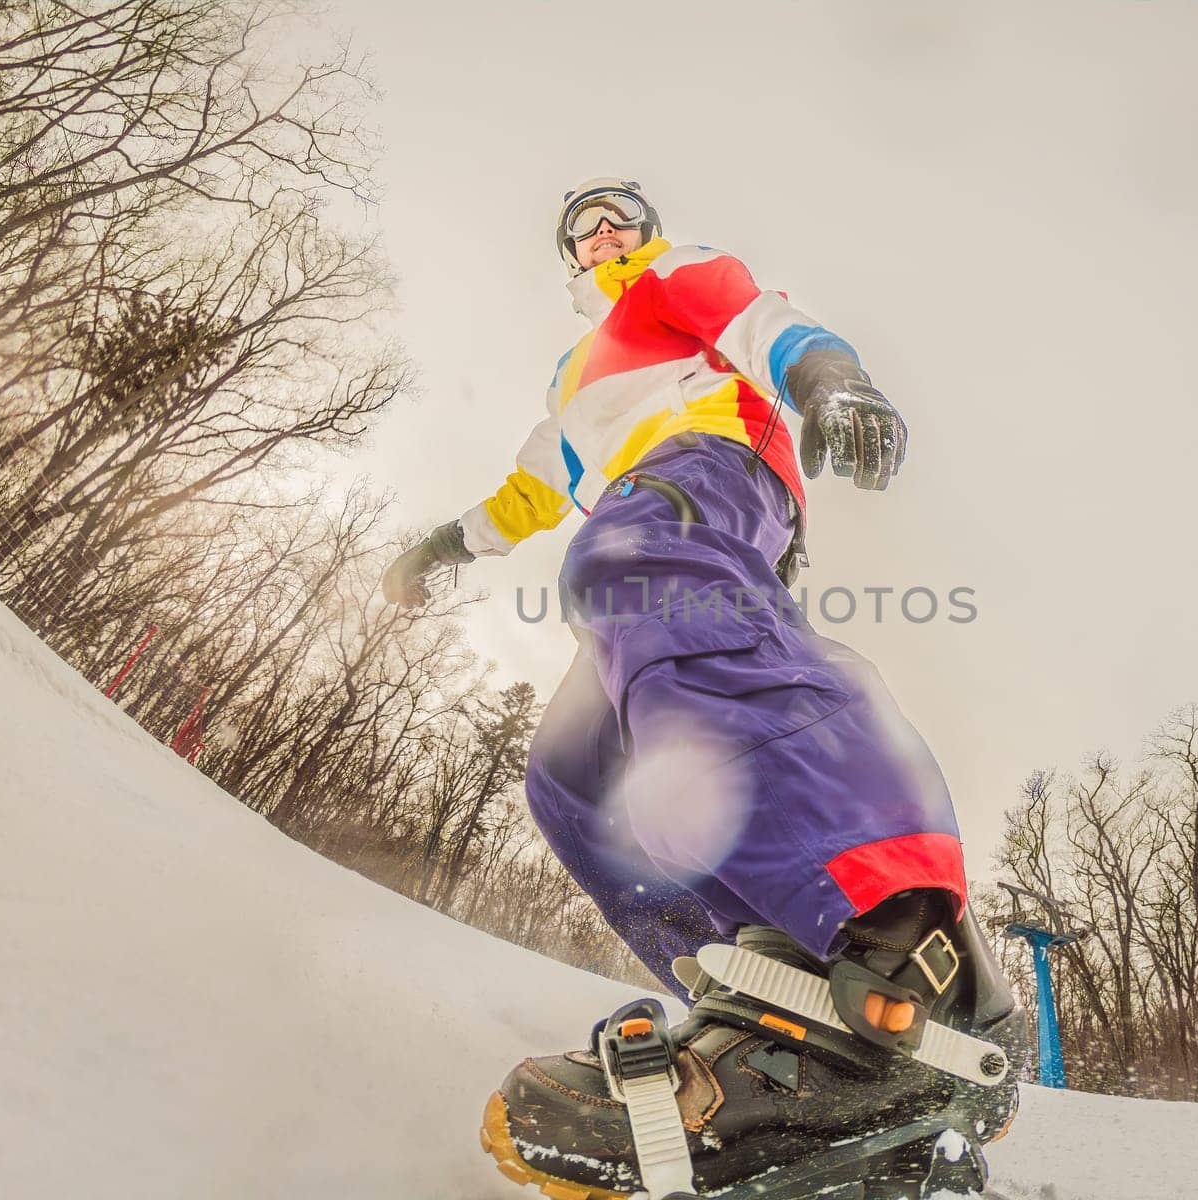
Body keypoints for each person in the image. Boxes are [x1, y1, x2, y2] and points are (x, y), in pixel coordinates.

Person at [383, 179, 1020, 1199]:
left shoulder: (668, 281)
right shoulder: (573, 375)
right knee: (578, 775)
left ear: (640, 231)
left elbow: (759, 319)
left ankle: (890, 953)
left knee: (640, 577)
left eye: (616, 218)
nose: (603, 235)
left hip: (711, 462)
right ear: (567, 261)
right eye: (582, 230)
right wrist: (450, 543)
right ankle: (768, 1039)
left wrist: (828, 378)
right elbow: (537, 485)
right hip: (639, 492)